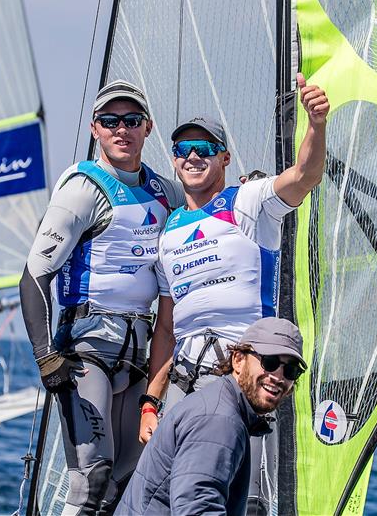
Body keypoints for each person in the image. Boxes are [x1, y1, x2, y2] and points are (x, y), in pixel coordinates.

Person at [139, 73, 328, 513]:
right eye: (183, 150)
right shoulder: (167, 232)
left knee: (248, 500)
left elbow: (305, 175)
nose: (192, 157)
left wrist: (316, 125)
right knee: (175, 494)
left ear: (224, 158)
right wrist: (151, 402)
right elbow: (165, 328)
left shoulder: (248, 202)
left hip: (243, 378)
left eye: (204, 149)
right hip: (186, 383)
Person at [19, 79, 184, 514]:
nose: (121, 130)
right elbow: (34, 276)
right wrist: (44, 357)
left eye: (132, 121)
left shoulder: (166, 192)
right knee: (91, 477)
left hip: (138, 350)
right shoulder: (81, 188)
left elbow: (208, 214)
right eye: (110, 121)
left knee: (123, 482)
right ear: (95, 129)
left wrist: (244, 192)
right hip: (86, 348)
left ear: (147, 128)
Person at [118, 317, 306, 515]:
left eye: (291, 370)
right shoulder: (220, 421)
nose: (278, 376)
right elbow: (197, 508)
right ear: (238, 360)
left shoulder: (222, 405)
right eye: (270, 362)